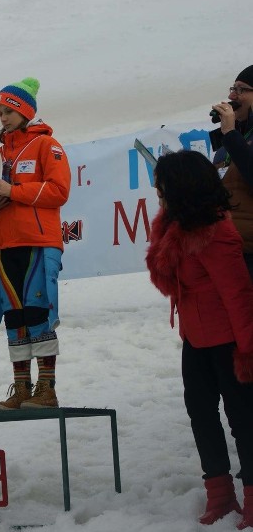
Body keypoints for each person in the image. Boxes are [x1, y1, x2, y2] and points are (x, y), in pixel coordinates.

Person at [145, 150, 253, 529]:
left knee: (243, 419)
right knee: (202, 416)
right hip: (195, 337)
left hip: (229, 340)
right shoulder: (176, 227)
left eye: (162, 186)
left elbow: (239, 296)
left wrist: (247, 351)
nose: (157, 192)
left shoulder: (215, 231)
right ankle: (220, 495)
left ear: (182, 187)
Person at [0, 77, 71, 410]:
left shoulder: (48, 146)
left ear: (25, 112)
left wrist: (13, 192)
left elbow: (59, 191)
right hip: (5, 243)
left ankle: (47, 389)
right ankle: (21, 388)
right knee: (14, 318)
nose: (3, 117)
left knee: (37, 313)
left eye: (8, 111)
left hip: (38, 242)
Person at [210, 65, 253, 277]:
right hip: (233, 250)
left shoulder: (233, 136)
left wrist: (230, 134)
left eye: (241, 89)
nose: (231, 96)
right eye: (233, 88)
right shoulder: (235, 137)